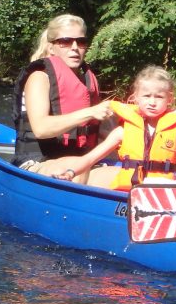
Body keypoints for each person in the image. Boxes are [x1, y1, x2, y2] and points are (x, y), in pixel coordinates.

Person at [52, 66, 176, 189]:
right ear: (136, 98)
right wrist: (71, 172)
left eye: (159, 97)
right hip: (129, 193)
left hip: (160, 195)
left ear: (169, 99)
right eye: (146, 96)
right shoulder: (123, 131)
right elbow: (90, 158)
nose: (152, 102)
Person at [12, 14, 112, 180]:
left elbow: (99, 133)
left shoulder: (87, 82)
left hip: (80, 162)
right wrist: (90, 112)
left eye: (81, 42)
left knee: (128, 178)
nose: (74, 47)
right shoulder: (39, 77)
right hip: (37, 161)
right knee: (75, 167)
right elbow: (41, 129)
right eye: (65, 41)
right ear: (51, 47)